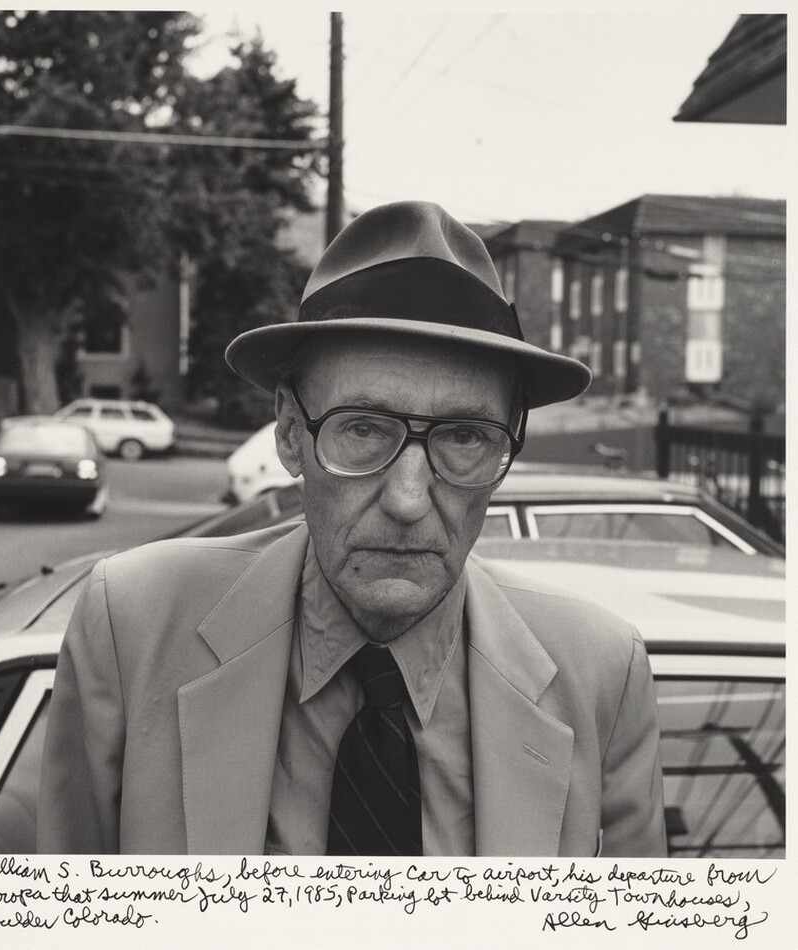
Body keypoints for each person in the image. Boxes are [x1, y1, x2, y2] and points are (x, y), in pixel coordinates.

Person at [37, 200, 667, 857]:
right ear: (288, 434)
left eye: (462, 436)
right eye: (363, 429)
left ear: (504, 448)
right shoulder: (134, 626)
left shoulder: (599, 673)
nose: (407, 499)